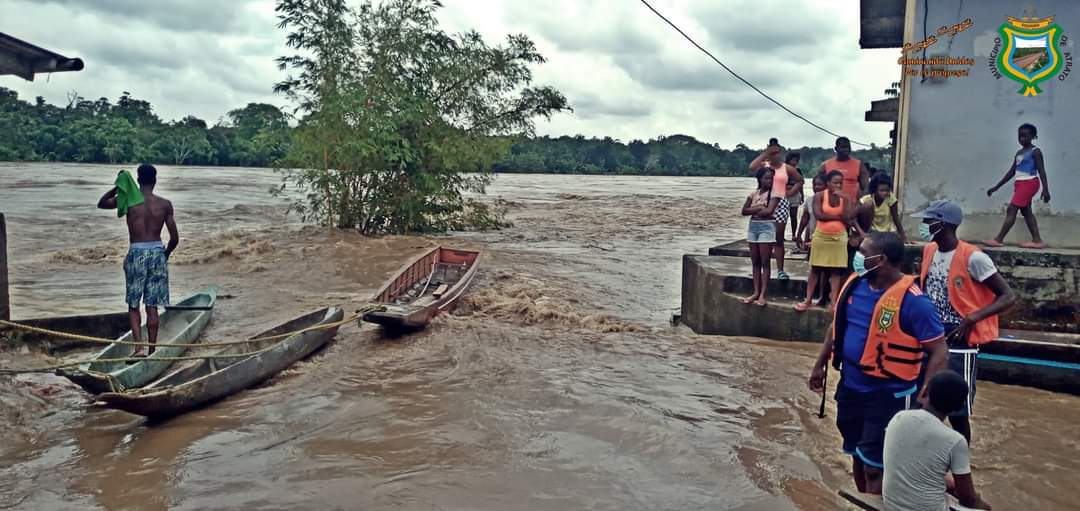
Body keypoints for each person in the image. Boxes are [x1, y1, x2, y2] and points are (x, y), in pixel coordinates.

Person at [808, 232, 949, 495]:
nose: (857, 256)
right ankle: (864, 500)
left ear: (880, 260)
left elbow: (939, 349)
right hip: (851, 387)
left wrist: (926, 391)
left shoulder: (915, 302)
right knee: (857, 455)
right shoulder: (854, 284)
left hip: (888, 395)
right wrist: (820, 364)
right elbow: (836, 327)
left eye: (862, 252)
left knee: (876, 465)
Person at [913, 200, 1016, 444]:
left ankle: (961, 465)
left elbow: (1008, 296)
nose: (925, 226)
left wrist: (973, 318)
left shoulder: (974, 258)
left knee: (957, 413)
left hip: (960, 340)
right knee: (922, 401)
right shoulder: (929, 250)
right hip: (931, 336)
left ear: (944, 225)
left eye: (929, 222)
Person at [97, 164, 178, 357]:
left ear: (139, 180)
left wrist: (120, 186)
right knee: (152, 305)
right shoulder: (165, 204)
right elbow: (174, 238)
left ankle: (138, 348)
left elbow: (102, 203)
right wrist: (165, 254)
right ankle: (152, 350)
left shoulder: (128, 201)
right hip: (157, 252)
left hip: (136, 253)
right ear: (155, 180)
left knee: (133, 305)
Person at [883, 371, 993, 511]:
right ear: (958, 407)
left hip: (892, 504)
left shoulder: (899, 418)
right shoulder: (955, 440)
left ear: (925, 392)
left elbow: (910, 466)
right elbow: (968, 498)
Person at [985, 123, 1051, 249]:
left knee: (1012, 209)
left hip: (1030, 182)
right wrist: (996, 187)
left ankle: (998, 239)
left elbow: (1042, 171)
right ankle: (1037, 240)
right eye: (1020, 136)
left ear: (1033, 136)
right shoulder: (1019, 153)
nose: (1022, 139)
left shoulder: (1035, 151)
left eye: (1025, 136)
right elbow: (1011, 172)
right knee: (1027, 212)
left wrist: (1046, 189)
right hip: (1020, 184)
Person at [795, 171, 853, 311]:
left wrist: (846, 200)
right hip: (821, 236)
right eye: (835, 182)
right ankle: (808, 300)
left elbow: (848, 217)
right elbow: (819, 215)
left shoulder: (845, 198)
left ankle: (833, 303)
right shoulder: (819, 196)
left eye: (840, 182)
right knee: (815, 269)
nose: (838, 185)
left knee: (836, 271)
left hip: (839, 237)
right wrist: (838, 217)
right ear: (828, 183)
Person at [749, 141, 803, 281]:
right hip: (763, 201)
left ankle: (780, 270)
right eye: (771, 153)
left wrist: (790, 192)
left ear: (780, 153)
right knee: (760, 239)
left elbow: (799, 180)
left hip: (780, 203)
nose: (774, 155)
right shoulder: (764, 166)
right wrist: (765, 153)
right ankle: (758, 269)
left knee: (778, 239)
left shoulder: (786, 168)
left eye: (776, 152)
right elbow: (752, 167)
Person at [741, 167, 782, 306]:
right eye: (766, 178)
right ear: (760, 179)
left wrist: (755, 210)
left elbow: (769, 211)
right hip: (754, 227)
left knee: (765, 261)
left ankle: (763, 294)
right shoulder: (754, 193)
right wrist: (759, 209)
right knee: (755, 261)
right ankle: (756, 292)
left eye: (771, 178)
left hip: (767, 227)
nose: (769, 181)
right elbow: (744, 211)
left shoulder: (775, 194)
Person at [796, 174, 828, 304]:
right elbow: (805, 219)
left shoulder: (830, 200)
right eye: (814, 184)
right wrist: (799, 235)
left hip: (826, 238)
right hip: (813, 238)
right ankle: (812, 295)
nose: (816, 187)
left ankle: (822, 296)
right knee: (814, 268)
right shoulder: (809, 200)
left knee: (825, 271)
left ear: (826, 185)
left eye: (820, 184)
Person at [857, 174, 908, 244]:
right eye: (882, 190)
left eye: (887, 190)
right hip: (871, 231)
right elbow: (854, 217)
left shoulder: (890, 199)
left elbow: (896, 218)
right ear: (874, 190)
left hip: (887, 232)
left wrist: (903, 237)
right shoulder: (866, 199)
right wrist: (861, 232)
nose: (885, 193)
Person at [785, 152, 805, 245]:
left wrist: (802, 195)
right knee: (783, 216)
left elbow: (801, 183)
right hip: (784, 194)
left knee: (794, 215)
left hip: (795, 194)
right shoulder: (783, 169)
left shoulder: (798, 170)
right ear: (789, 160)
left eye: (796, 160)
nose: (795, 162)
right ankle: (781, 235)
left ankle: (794, 234)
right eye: (793, 160)